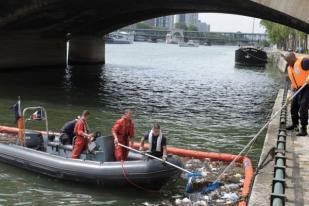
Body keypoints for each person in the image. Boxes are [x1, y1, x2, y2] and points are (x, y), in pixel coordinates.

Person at [286, 53, 309, 136]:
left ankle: (303, 129)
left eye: (288, 61)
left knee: (303, 105)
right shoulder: (290, 67)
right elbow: (294, 80)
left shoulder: (304, 61)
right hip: (298, 88)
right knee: (293, 105)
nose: (288, 63)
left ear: (293, 58)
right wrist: (291, 94)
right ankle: (295, 124)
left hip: (307, 86)